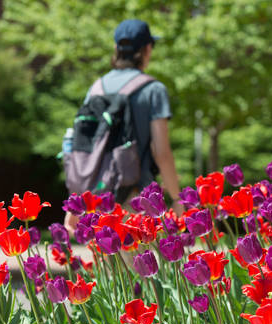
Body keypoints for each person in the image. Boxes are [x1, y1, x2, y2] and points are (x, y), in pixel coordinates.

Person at [64, 19, 183, 233]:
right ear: (147, 49)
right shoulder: (153, 90)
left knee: (109, 266)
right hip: (137, 202)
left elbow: (85, 147)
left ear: (116, 49)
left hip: (98, 203)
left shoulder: (96, 89)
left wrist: (74, 206)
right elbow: (161, 152)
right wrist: (177, 198)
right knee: (139, 265)